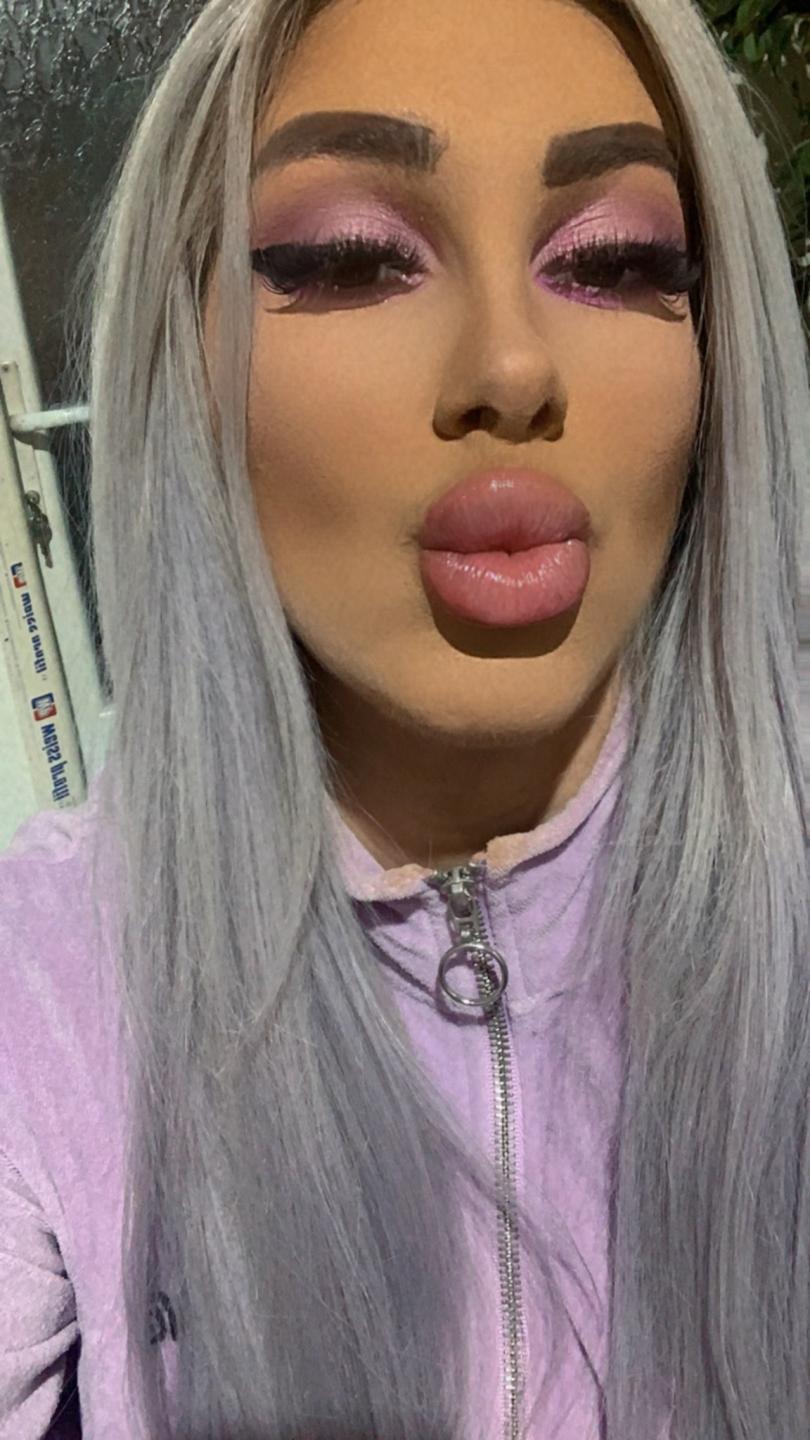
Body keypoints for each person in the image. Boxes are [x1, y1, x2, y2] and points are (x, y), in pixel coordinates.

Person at [0, 0, 807, 1434]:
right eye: (353, 257)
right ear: (186, 361)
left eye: (618, 259)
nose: (511, 369)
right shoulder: (43, 984)